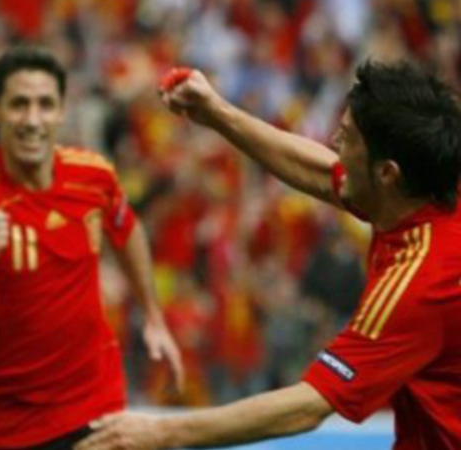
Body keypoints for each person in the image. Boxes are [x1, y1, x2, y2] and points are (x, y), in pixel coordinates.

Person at [75, 61, 461, 450]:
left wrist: (160, 433)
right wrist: (216, 112)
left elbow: (309, 406)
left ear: (387, 173)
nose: (333, 144)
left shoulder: (422, 281)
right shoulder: (420, 190)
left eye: (346, 139)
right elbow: (320, 172)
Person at [0, 46, 184, 450]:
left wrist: (153, 316)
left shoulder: (93, 176)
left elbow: (127, 230)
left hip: (92, 409)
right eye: (19, 104)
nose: (33, 120)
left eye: (45, 105)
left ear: (62, 112)